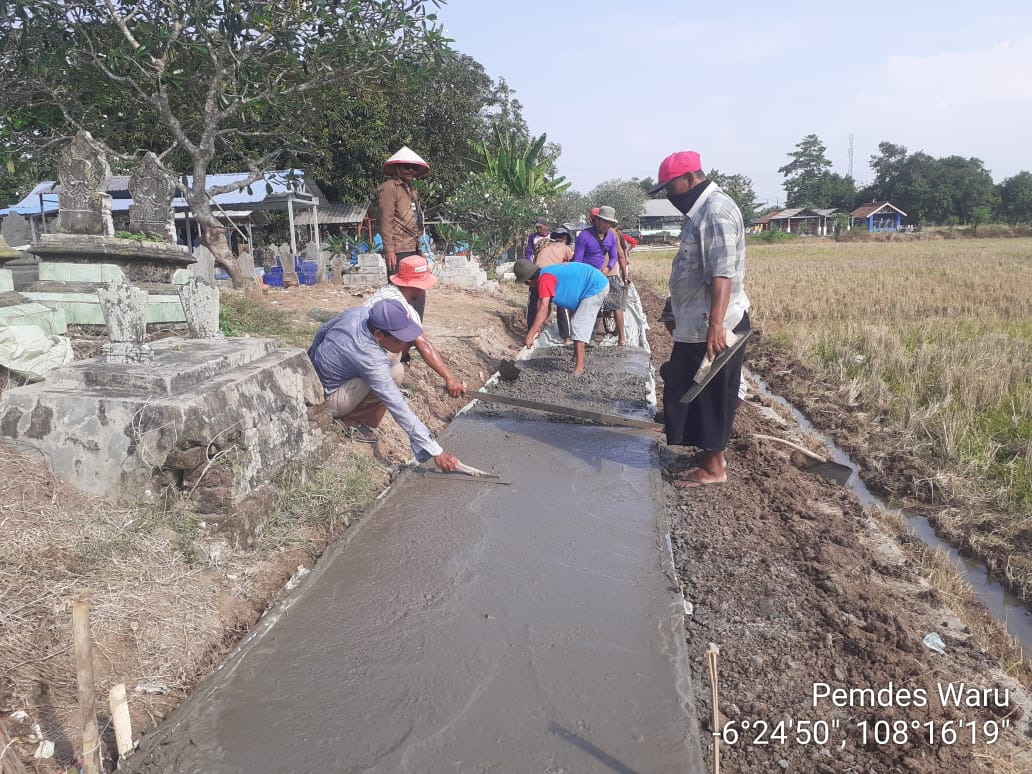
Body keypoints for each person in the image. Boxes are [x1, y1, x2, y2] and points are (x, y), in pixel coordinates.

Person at [648, 150, 751, 488]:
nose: (668, 194)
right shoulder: (701, 212)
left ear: (690, 178)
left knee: (703, 396)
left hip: (710, 324)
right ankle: (708, 456)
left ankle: (714, 468)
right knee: (691, 390)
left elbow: (722, 274)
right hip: (697, 323)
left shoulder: (716, 211)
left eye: (670, 186)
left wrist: (716, 326)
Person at [307, 298, 460, 470]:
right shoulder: (369, 356)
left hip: (320, 381)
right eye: (398, 340)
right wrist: (436, 450)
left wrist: (311, 365)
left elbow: (322, 330)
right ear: (379, 334)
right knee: (395, 372)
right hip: (330, 398)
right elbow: (396, 403)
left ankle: (350, 412)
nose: (403, 345)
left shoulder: (360, 313)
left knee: (393, 363)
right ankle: (351, 420)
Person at [363, 255, 465, 398]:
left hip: (359, 350)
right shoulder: (403, 307)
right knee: (410, 337)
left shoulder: (385, 292)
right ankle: (390, 372)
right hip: (368, 356)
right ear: (417, 286)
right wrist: (450, 379)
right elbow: (424, 345)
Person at [514, 259, 608, 376]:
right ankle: (575, 356)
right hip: (587, 285)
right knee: (575, 321)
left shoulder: (545, 279)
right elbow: (546, 307)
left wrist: (529, 335)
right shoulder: (544, 275)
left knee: (578, 324)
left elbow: (543, 309)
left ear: (529, 281)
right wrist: (537, 328)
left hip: (595, 286)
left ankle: (579, 368)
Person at [377, 145, 430, 318]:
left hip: (413, 247)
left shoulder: (411, 190)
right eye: (406, 167)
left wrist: (420, 249)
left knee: (418, 290)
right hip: (399, 248)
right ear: (397, 168)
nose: (410, 171)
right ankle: (397, 330)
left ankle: (416, 328)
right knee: (400, 292)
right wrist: (389, 250)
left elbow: (415, 220)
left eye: (413, 167)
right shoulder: (389, 188)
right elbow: (386, 220)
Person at [573, 205, 626, 345]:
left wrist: (607, 269)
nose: (607, 225)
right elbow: (577, 260)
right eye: (604, 222)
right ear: (596, 220)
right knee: (587, 308)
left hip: (602, 275)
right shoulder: (584, 236)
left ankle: (621, 338)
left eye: (610, 223)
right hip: (586, 276)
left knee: (613, 307)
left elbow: (614, 257)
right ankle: (583, 339)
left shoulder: (611, 237)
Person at [527, 227, 574, 344]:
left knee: (536, 302)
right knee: (562, 304)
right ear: (565, 238)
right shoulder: (565, 248)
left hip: (537, 274)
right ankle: (567, 337)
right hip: (551, 276)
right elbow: (571, 264)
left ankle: (534, 332)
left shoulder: (544, 246)